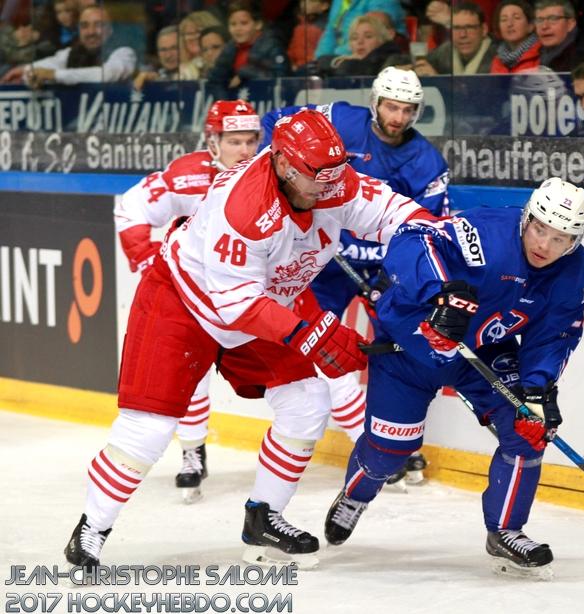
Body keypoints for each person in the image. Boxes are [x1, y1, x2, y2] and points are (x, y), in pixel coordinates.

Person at [63, 108, 436, 571]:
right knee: (149, 428)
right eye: (320, 174)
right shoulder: (243, 207)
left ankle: (264, 517)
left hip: (267, 299)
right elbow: (236, 305)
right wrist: (312, 335)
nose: (333, 183)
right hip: (183, 301)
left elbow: (396, 213)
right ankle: (92, 529)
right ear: (283, 163)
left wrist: (439, 252)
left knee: (307, 401)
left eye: (338, 171)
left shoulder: (328, 178)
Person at [322, 177, 584, 579]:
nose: (544, 246)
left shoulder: (575, 272)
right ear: (526, 218)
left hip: (481, 353)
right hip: (412, 345)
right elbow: (413, 238)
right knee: (389, 453)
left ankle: (506, 529)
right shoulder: (487, 234)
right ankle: (356, 494)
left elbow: (555, 335)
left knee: (527, 427)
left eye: (560, 239)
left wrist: (537, 386)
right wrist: (440, 293)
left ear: (575, 241)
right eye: (540, 229)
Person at [260, 66, 449, 487]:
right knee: (308, 339)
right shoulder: (341, 120)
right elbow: (276, 121)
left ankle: (399, 442)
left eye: (407, 109)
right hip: (328, 263)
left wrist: (393, 273)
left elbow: (427, 230)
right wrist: (270, 174)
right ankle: (302, 431)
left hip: (386, 270)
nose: (398, 116)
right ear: (375, 102)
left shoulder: (427, 162)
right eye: (391, 106)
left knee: (403, 353)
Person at [114, 100, 261, 503]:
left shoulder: (272, 176)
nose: (245, 151)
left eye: (252, 140)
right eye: (234, 141)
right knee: (189, 374)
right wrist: (150, 264)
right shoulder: (187, 175)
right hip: (194, 301)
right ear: (212, 142)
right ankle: (192, 451)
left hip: (250, 299)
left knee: (302, 380)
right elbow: (130, 207)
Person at [0, 5, 136, 87]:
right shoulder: (71, 53)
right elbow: (50, 64)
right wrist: (28, 71)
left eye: (98, 25)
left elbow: (107, 75)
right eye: (84, 26)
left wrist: (54, 75)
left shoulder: (124, 53)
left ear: (110, 30)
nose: (91, 32)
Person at [206, 2, 289, 92]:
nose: (238, 29)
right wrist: (226, 103)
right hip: (239, 105)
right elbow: (215, 80)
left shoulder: (272, 46)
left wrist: (245, 73)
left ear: (258, 24)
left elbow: (282, 78)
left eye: (244, 23)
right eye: (233, 24)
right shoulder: (229, 49)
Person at [413, 1, 497, 76]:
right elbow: (416, 61)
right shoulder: (446, 50)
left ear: (484, 29)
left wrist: (437, 80)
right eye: (456, 28)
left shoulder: (500, 55)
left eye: (469, 27)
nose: (463, 34)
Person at [317, 13, 401, 77]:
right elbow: (319, 62)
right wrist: (337, 61)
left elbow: (354, 70)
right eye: (354, 38)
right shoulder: (351, 59)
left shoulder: (393, 60)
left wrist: (347, 63)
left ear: (382, 39)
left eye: (368, 36)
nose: (360, 42)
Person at [314, 0, 404, 58]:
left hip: (373, 60)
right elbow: (330, 32)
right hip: (343, 56)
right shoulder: (338, 2)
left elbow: (376, 35)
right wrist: (320, 58)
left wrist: (336, 58)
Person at [534, 0, 584, 73]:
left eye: (553, 19)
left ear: (570, 24)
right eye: (539, 20)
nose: (544, 26)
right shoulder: (534, 52)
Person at [490, 0, 541, 73]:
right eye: (504, 20)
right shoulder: (497, 61)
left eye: (516, 18)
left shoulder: (541, 55)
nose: (509, 24)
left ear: (530, 25)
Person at [178, 11, 224, 80]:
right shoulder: (181, 71)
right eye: (189, 33)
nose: (194, 37)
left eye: (198, 32)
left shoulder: (224, 63)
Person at [132, 25, 180, 90]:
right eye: (163, 50)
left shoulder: (196, 73)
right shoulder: (154, 78)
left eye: (174, 48)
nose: (168, 55)